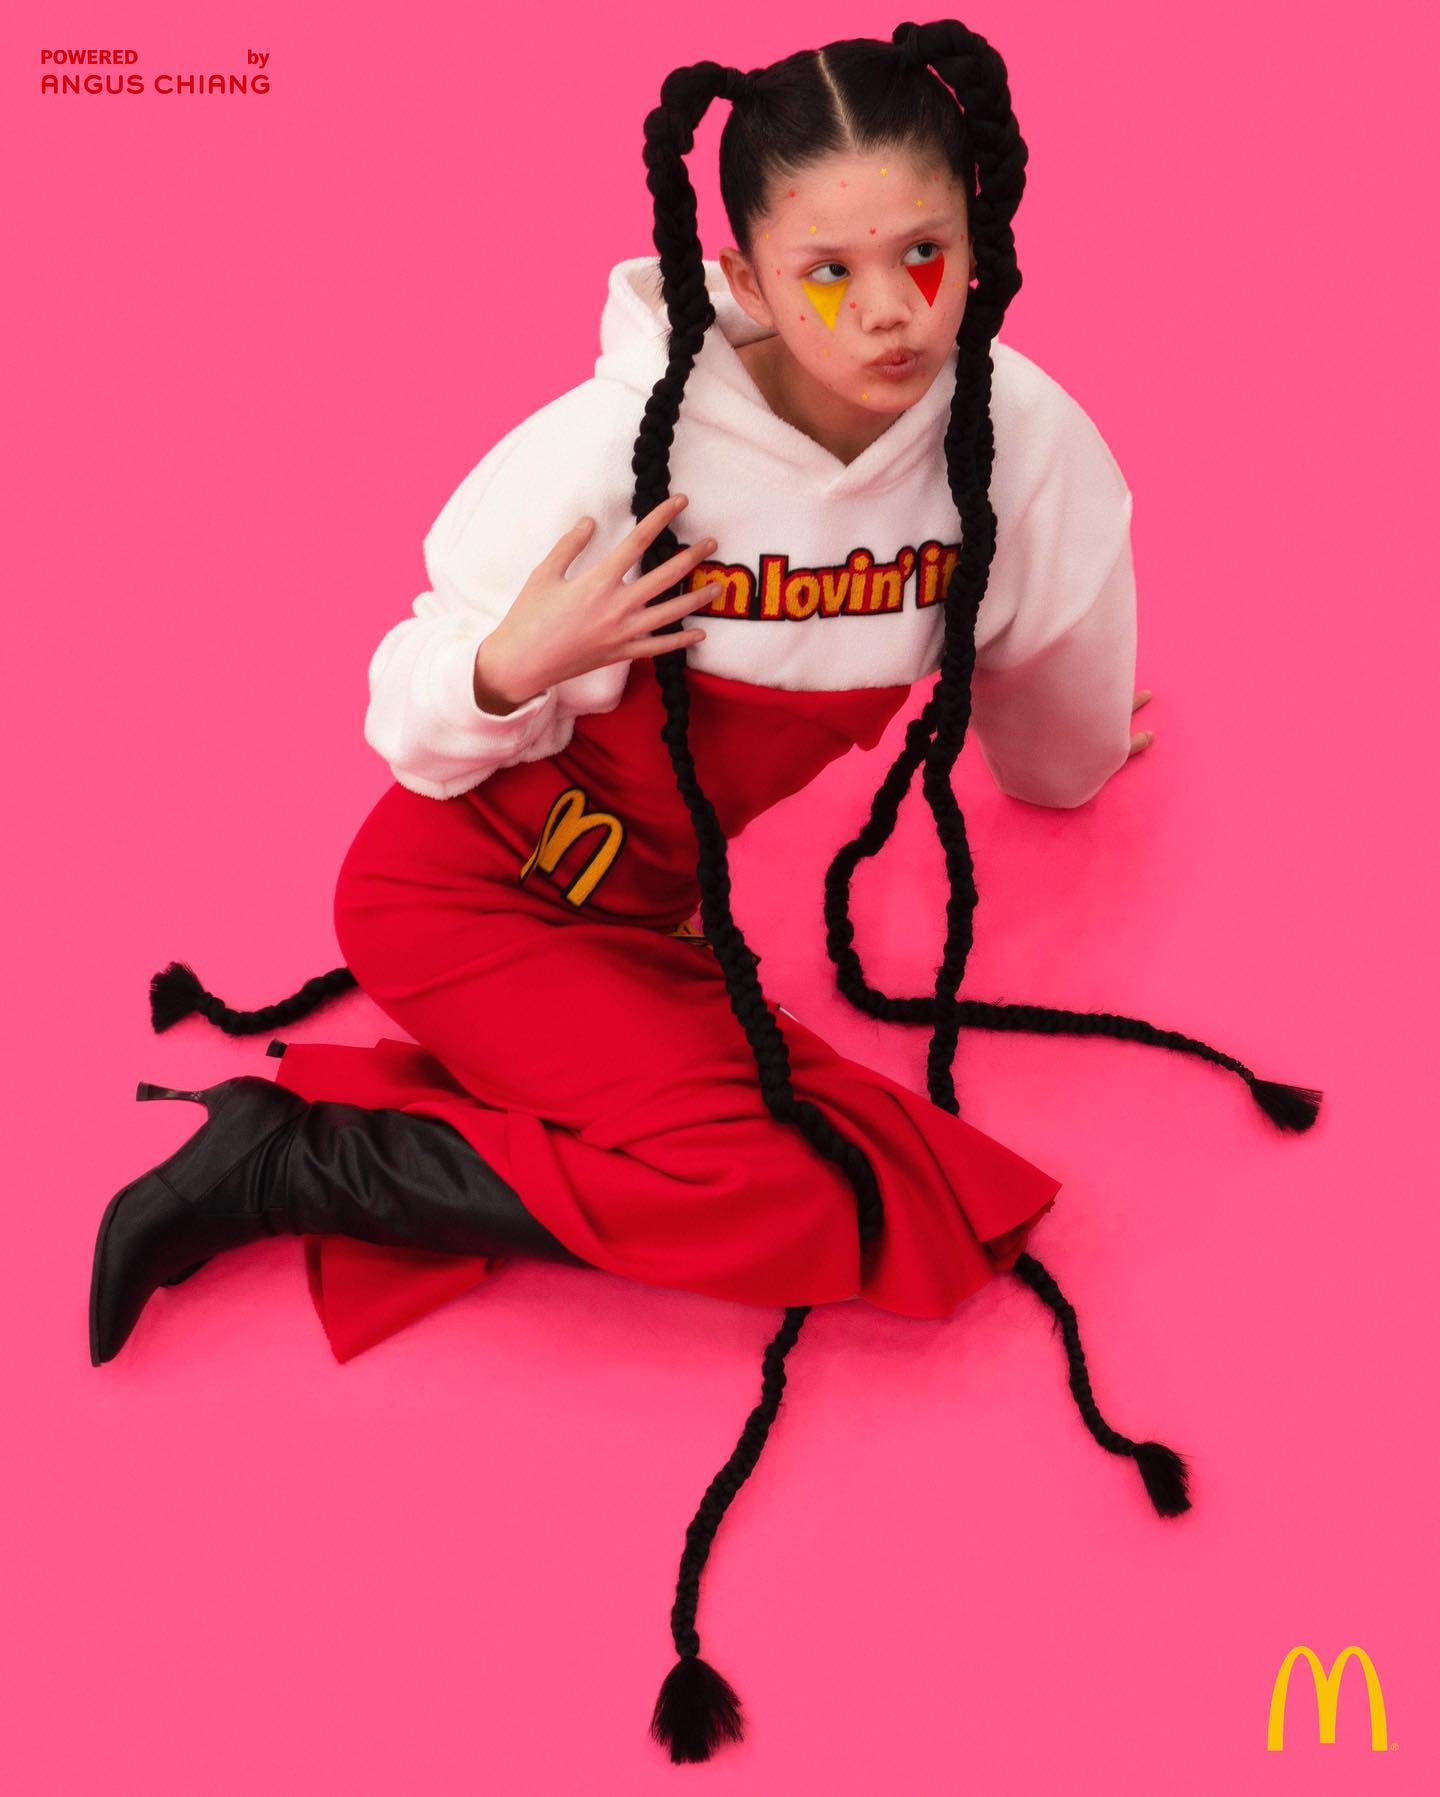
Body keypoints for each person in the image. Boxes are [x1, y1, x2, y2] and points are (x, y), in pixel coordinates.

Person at [87, 20, 1321, 1764]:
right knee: (810, 1194)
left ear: (979, 235)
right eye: (828, 270)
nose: (890, 310)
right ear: (740, 272)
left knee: (866, 1180)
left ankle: (308, 1141)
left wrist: (1075, 767)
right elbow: (407, 706)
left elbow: (1052, 678)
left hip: (650, 921)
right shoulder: (618, 443)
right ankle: (284, 1160)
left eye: (925, 252)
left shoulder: (1021, 443)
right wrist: (514, 663)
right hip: (463, 885)